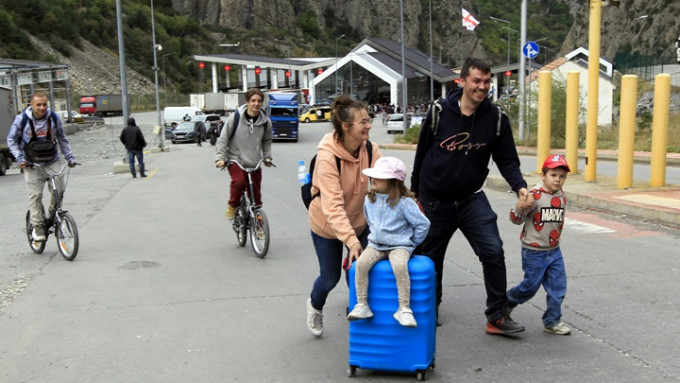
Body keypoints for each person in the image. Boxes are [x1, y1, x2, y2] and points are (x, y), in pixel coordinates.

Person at [410, 57, 530, 335]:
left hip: (471, 198)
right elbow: (422, 152)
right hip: (434, 200)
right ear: (461, 81)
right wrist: (415, 192)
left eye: (487, 82)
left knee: (493, 251)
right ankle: (430, 309)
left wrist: (520, 187)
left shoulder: (496, 119)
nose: (482, 86)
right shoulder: (440, 112)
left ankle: (497, 316)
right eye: (476, 80)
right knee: (430, 259)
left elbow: (507, 160)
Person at [306, 95, 381, 338]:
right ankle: (315, 306)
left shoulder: (370, 148)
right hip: (327, 225)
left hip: (359, 221)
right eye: (363, 122)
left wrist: (404, 197)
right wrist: (351, 241)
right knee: (330, 278)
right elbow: (333, 207)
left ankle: (360, 309)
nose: (368, 125)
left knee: (361, 269)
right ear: (346, 127)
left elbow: (385, 182)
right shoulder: (328, 157)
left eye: (369, 120)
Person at [347, 157, 430, 328]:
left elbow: (423, 224)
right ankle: (362, 305)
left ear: (393, 181)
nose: (373, 179)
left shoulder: (405, 202)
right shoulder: (369, 199)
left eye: (380, 176)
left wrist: (411, 243)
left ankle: (404, 309)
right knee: (361, 264)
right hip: (376, 245)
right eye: (373, 175)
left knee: (399, 266)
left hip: (399, 245)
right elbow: (370, 221)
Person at [507, 154, 571, 335]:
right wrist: (519, 206)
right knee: (530, 287)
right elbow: (515, 220)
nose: (558, 180)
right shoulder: (533, 195)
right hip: (533, 251)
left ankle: (552, 321)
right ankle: (507, 301)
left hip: (554, 250)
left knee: (558, 287)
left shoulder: (561, 195)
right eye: (553, 175)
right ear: (543, 176)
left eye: (562, 176)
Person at [7, 91, 77, 242]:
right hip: (31, 163)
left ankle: (54, 215)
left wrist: (70, 158)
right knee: (36, 195)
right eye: (38, 104)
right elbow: (11, 140)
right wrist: (19, 158)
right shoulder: (22, 120)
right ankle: (38, 226)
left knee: (59, 189)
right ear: (31, 105)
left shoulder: (53, 118)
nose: (42, 107)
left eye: (45, 104)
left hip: (52, 160)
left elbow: (62, 139)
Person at [215, 88, 273, 219]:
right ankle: (233, 206)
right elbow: (223, 139)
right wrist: (220, 158)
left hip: (254, 161)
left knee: (256, 197)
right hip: (236, 159)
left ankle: (258, 224)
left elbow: (267, 141)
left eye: (259, 101)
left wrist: (267, 157)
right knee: (239, 182)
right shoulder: (235, 117)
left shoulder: (266, 122)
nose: (256, 104)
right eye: (253, 100)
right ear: (247, 101)